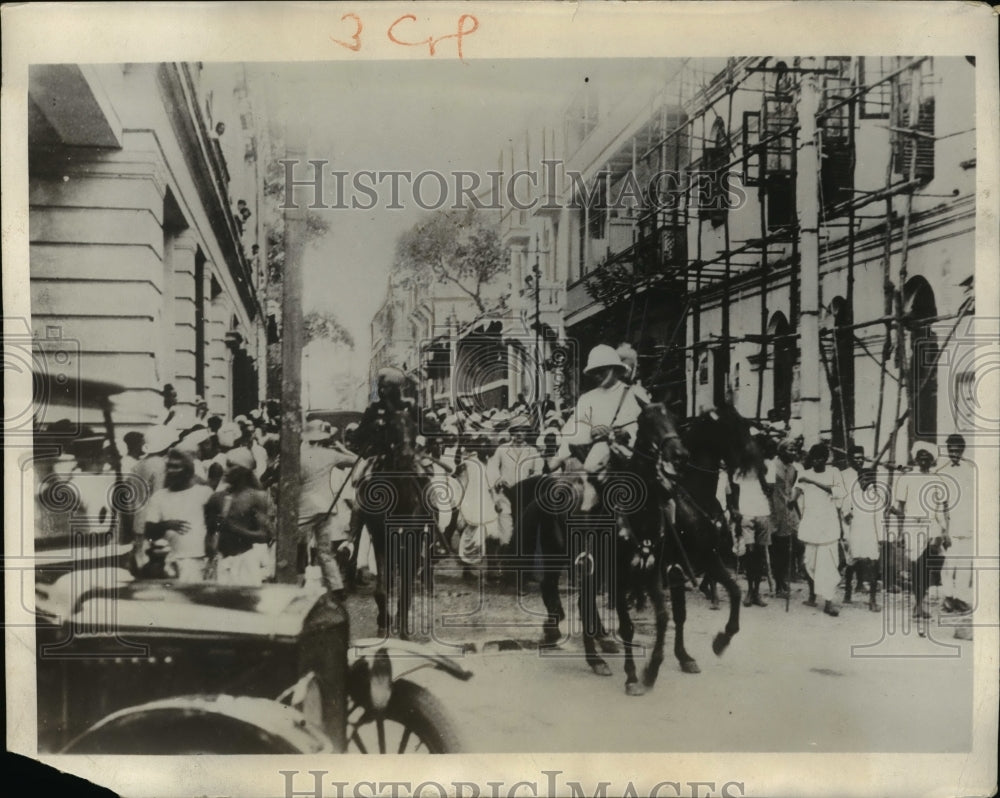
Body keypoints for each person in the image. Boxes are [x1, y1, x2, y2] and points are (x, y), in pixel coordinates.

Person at [298, 419, 357, 596]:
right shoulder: (330, 454)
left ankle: (296, 583)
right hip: (327, 507)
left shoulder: (301, 455)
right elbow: (357, 460)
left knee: (295, 546)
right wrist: (340, 447)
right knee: (325, 551)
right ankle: (337, 588)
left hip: (305, 506)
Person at [143, 448, 214, 582]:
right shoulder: (159, 497)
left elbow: (214, 526)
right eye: (168, 466)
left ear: (188, 470)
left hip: (198, 560)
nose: (170, 471)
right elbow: (148, 529)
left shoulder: (204, 493)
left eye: (176, 467)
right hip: (169, 562)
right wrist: (166, 525)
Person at [207, 447, 273, 585]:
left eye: (231, 466)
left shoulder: (256, 497)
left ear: (244, 470)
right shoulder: (217, 498)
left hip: (246, 562)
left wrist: (235, 529)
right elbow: (209, 533)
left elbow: (265, 535)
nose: (225, 470)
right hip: (222, 562)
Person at [892, 441, 943, 619]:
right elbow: (900, 507)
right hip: (912, 525)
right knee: (916, 566)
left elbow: (940, 508)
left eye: (927, 457)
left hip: (931, 524)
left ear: (932, 460)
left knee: (928, 564)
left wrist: (942, 532)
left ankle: (921, 603)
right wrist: (899, 534)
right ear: (916, 458)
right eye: (920, 456)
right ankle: (919, 605)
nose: (923, 459)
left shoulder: (936, 479)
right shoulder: (906, 478)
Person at [797, 443, 845, 617]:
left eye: (820, 458)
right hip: (811, 526)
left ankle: (829, 602)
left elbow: (839, 492)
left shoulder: (834, 473)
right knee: (809, 563)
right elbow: (797, 490)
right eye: (814, 457)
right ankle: (812, 596)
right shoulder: (804, 473)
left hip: (828, 527)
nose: (817, 461)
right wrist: (791, 499)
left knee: (827, 567)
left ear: (826, 459)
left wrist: (812, 482)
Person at [733, 431, 774, 607]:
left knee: (759, 555)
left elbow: (769, 490)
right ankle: (750, 591)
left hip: (763, 513)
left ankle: (756, 592)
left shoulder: (768, 466)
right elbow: (734, 491)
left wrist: (760, 471)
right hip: (746, 514)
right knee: (750, 554)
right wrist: (736, 511)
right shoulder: (740, 467)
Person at [936, 433, 976, 614]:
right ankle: (948, 598)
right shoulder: (942, 472)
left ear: (962, 451)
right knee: (949, 564)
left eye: (957, 451)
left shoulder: (970, 470)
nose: (954, 454)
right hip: (950, 526)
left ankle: (960, 598)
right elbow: (941, 504)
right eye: (951, 451)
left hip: (968, 525)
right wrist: (944, 530)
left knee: (964, 565)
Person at [841, 445, 881, 611]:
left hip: (870, 534)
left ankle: (872, 599)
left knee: (873, 563)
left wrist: (880, 539)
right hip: (855, 531)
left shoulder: (875, 497)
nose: (865, 482)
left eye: (869, 479)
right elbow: (844, 508)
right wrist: (846, 515)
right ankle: (848, 591)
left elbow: (878, 519)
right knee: (852, 562)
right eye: (862, 479)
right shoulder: (852, 493)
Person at [769, 438, 801, 599]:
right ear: (780, 451)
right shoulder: (771, 466)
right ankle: (778, 582)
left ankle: (783, 581)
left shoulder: (794, 469)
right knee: (776, 549)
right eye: (790, 449)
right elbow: (767, 491)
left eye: (795, 450)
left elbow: (791, 491)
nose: (794, 453)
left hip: (788, 513)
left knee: (786, 549)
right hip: (773, 512)